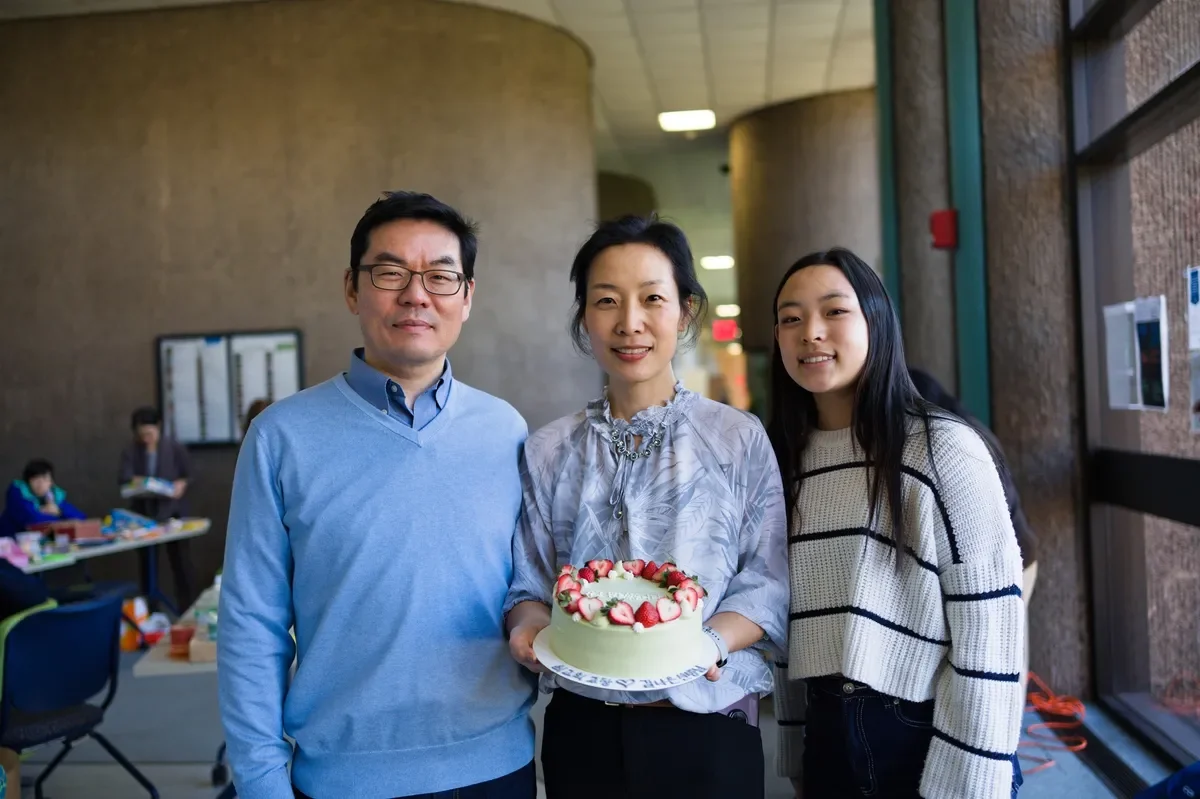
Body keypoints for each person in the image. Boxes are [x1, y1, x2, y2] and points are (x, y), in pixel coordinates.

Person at [218, 191, 537, 799]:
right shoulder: (280, 437)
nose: (416, 294)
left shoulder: (507, 431)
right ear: (351, 288)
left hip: (497, 770)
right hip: (341, 780)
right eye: (390, 273)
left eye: (442, 277)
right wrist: (261, 781)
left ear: (467, 297)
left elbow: (526, 589)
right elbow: (251, 624)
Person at [504, 215, 789, 799]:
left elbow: (768, 580)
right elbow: (528, 583)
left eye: (652, 299)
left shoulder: (736, 438)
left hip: (707, 722)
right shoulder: (549, 448)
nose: (629, 323)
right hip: (583, 729)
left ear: (685, 311)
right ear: (584, 316)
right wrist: (528, 629)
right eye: (606, 300)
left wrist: (709, 645)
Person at [768, 248, 1024, 799]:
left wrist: (971, 781)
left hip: (925, 725)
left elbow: (990, 634)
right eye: (790, 318)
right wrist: (797, 750)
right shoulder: (784, 460)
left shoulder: (944, 448)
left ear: (876, 323)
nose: (810, 332)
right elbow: (794, 627)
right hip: (827, 728)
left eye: (834, 311)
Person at [907, 367, 1039, 695]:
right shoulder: (958, 429)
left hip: (1015, 561)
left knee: (1001, 665)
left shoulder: (958, 443)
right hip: (1015, 554)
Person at [118, 406, 195, 606]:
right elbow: (124, 478)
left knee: (181, 563)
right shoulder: (131, 450)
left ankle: (185, 605)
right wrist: (140, 482)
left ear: (158, 427)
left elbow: (188, 474)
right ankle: (151, 608)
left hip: (172, 510)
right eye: (141, 435)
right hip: (143, 512)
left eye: (150, 433)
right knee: (147, 565)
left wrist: (181, 484)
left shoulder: (174, 447)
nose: (146, 438)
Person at [0, 459, 87, 537]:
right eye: (35, 479)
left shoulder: (53, 495)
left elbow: (81, 518)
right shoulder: (18, 492)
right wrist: (64, 522)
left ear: (51, 482)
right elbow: (32, 521)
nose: (41, 484)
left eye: (45, 479)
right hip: (9, 544)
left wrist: (58, 511)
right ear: (28, 482)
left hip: (38, 546)